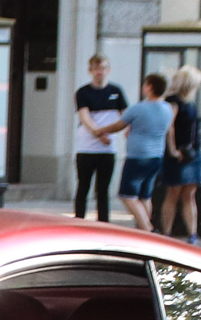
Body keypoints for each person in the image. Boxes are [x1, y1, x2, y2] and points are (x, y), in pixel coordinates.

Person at [110, 73, 172, 234]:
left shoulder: (138, 108)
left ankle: (147, 227)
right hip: (156, 156)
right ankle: (143, 230)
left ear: (150, 87)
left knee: (127, 195)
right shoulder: (167, 109)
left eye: (145, 84)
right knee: (145, 196)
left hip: (138, 157)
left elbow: (118, 126)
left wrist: (98, 131)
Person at [71, 55, 127, 223]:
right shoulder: (83, 92)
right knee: (83, 187)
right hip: (86, 147)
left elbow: (125, 115)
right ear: (90, 71)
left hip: (108, 149)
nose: (99, 72)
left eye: (102, 68)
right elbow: (85, 117)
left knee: (103, 190)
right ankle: (78, 221)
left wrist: (125, 129)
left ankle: (103, 223)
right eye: (96, 68)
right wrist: (99, 133)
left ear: (108, 70)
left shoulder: (116, 91)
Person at [159, 65, 201, 244]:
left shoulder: (189, 102)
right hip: (178, 154)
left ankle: (192, 233)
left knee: (189, 194)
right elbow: (169, 127)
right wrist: (172, 150)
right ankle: (167, 232)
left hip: (192, 153)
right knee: (174, 192)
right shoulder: (173, 101)